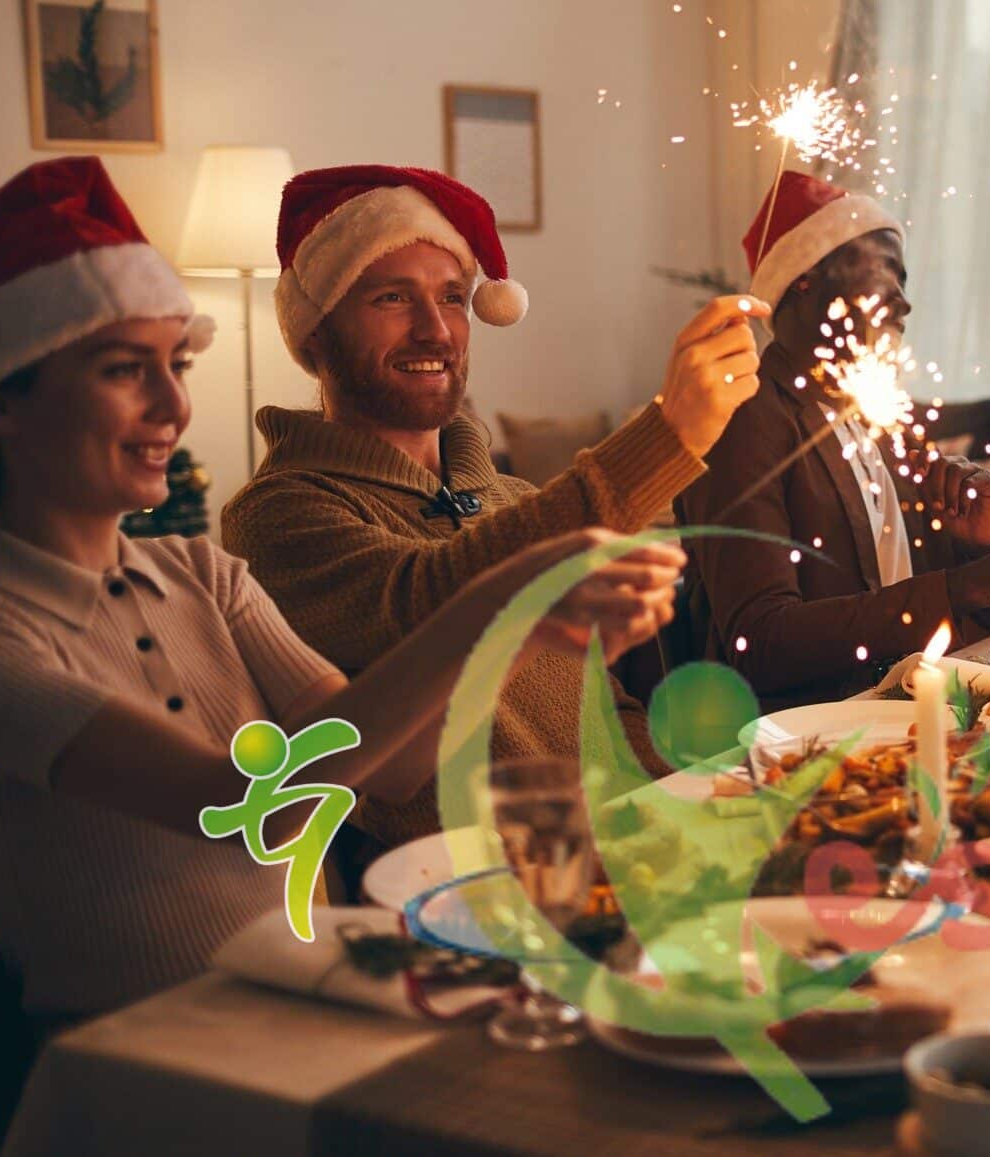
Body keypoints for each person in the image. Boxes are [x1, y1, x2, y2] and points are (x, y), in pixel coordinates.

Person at [0, 157, 679, 1025]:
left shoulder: (199, 574)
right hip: (144, 1051)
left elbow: (390, 763)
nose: (173, 407)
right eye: (125, 370)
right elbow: (236, 807)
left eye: (177, 366)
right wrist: (510, 597)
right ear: (0, 400)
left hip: (318, 991)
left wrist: (528, 621)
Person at [222, 165, 760, 847]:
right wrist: (666, 437)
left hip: (633, 863)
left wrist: (689, 803)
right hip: (474, 900)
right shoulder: (280, 512)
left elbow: (603, 709)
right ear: (316, 331)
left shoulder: (515, 500)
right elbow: (433, 598)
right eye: (392, 297)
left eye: (452, 297)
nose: (435, 331)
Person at [675, 172, 990, 706]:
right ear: (804, 279)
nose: (903, 302)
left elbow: (904, 597)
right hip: (805, 741)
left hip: (912, 713)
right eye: (885, 273)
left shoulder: (876, 419)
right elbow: (759, 642)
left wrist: (979, 549)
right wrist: (969, 582)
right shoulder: (745, 415)